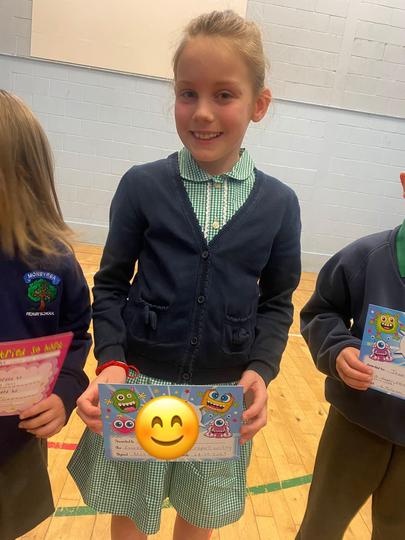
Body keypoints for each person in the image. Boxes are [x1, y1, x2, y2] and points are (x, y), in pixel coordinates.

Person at [68, 10, 301, 540]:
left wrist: (260, 368)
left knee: (199, 517)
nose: (202, 113)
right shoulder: (142, 185)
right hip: (138, 382)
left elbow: (277, 300)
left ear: (259, 104)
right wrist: (111, 360)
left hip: (222, 393)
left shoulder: (280, 204)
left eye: (224, 94)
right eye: (187, 94)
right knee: (129, 510)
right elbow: (110, 284)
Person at [0, 89, 92, 540]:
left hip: (15, 445)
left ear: (22, 176)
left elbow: (76, 335)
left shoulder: (54, 262)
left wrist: (63, 393)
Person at [296, 172, 405, 540]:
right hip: (356, 422)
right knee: (321, 527)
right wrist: (338, 349)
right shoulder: (366, 257)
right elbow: (321, 311)